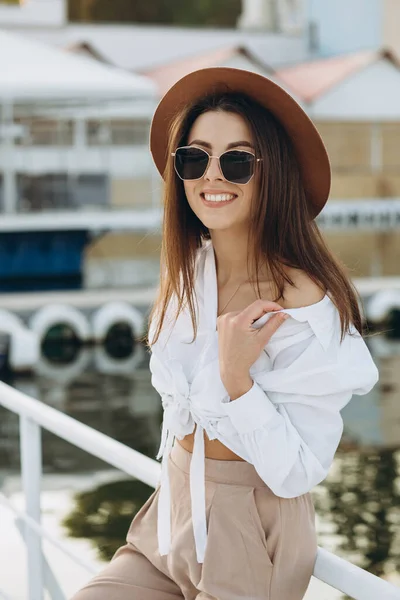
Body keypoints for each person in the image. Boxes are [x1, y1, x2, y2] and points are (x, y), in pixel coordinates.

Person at [71, 67, 379, 600]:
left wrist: (238, 381)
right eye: (194, 158)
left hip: (251, 534)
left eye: (236, 161)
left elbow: (297, 473)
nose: (211, 176)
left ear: (272, 174)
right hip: (170, 512)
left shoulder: (304, 304)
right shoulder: (188, 272)